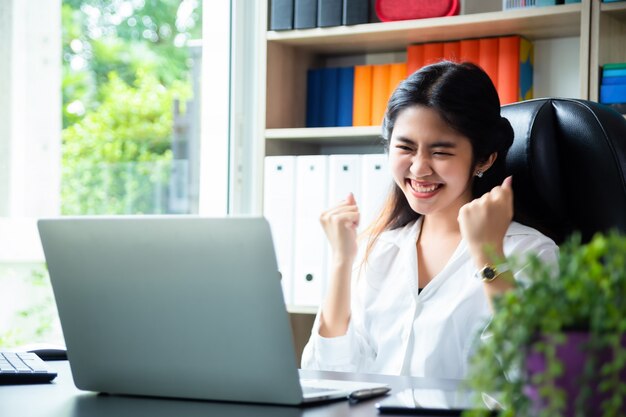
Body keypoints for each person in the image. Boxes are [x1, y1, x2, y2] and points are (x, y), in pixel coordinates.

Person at [300, 61, 558, 378]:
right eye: (405, 147)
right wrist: (342, 262)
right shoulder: (378, 249)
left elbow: (536, 382)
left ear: (484, 158)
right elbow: (325, 376)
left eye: (440, 152)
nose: (419, 168)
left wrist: (488, 256)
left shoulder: (529, 253)